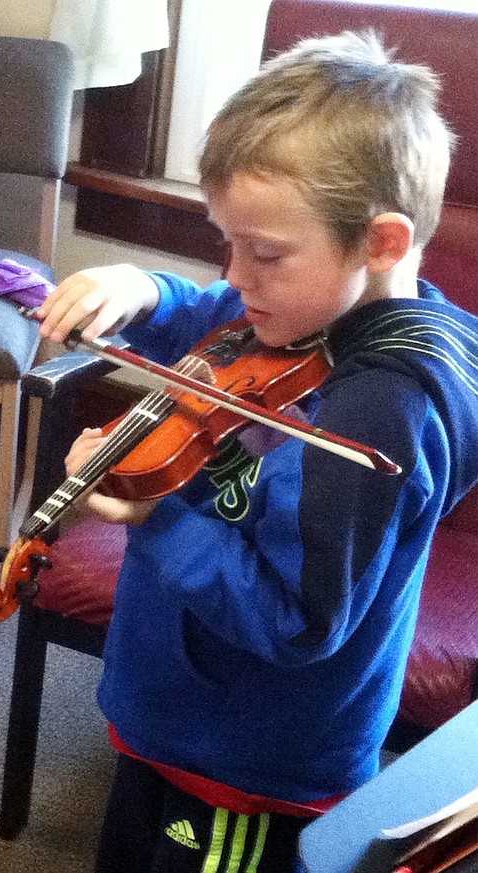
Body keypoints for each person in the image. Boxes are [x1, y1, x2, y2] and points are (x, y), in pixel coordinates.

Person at [37, 31, 478, 873]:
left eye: (265, 252)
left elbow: (296, 618)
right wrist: (144, 290)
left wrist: (159, 514)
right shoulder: (305, 310)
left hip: (246, 759)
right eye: (226, 241)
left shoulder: (385, 408)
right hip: (183, 715)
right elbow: (217, 317)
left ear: (382, 242)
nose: (236, 274)